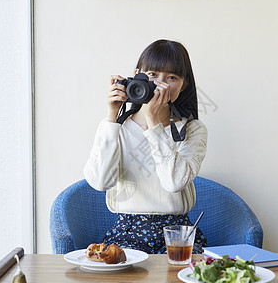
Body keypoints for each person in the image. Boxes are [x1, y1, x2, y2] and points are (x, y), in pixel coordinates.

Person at [84, 39, 207, 254]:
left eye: (171, 78)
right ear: (137, 75)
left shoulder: (192, 129)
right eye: (152, 75)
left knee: (183, 282)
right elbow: (100, 182)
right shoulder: (116, 127)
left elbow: (174, 182)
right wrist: (112, 117)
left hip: (178, 233)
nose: (161, 85)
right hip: (126, 231)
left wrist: (152, 122)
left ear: (184, 85)